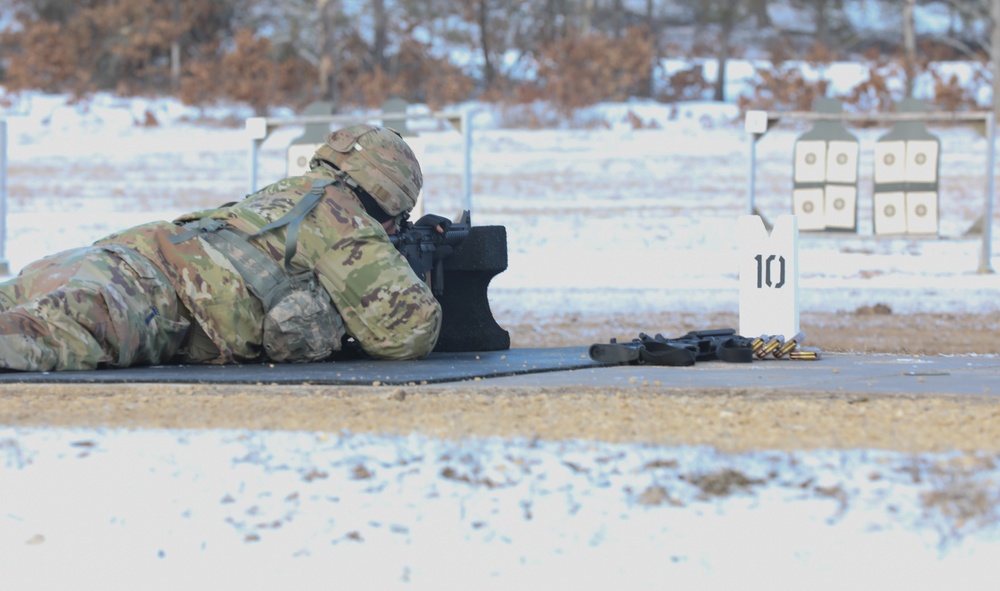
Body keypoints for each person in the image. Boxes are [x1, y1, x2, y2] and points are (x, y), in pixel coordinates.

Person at [0, 124, 441, 371]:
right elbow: (408, 333)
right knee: (38, 339)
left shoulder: (288, 192)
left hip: (109, 258)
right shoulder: (347, 222)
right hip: (151, 295)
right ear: (388, 196)